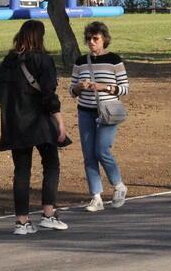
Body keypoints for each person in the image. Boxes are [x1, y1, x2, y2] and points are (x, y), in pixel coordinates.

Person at [0, 20, 70, 235]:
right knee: (51, 165)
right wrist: (60, 122)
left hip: (15, 124)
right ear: (40, 36)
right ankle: (48, 214)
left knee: (22, 171)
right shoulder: (43, 60)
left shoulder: (9, 60)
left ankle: (22, 222)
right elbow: (49, 94)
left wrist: (14, 100)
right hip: (40, 122)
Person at [70, 21, 130, 212]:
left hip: (108, 112)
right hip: (85, 111)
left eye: (95, 39)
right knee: (88, 155)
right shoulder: (80, 62)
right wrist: (80, 87)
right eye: (88, 39)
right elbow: (72, 90)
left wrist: (105, 87)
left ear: (104, 39)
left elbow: (124, 88)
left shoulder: (114, 60)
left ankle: (119, 185)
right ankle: (96, 196)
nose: (91, 43)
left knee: (102, 150)